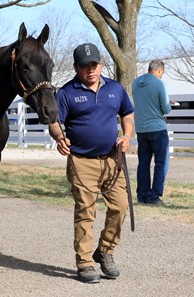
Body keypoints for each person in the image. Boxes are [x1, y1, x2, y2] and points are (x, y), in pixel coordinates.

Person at [48, 43, 134, 284]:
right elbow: (55, 121)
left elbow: (127, 113)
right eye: (85, 66)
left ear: (101, 64)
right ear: (76, 68)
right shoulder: (66, 92)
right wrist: (59, 138)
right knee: (86, 212)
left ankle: (105, 251)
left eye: (94, 64)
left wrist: (126, 136)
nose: (90, 70)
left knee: (121, 206)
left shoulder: (115, 89)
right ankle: (85, 262)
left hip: (112, 160)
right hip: (81, 162)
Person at [132, 60, 172, 206]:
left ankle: (142, 196)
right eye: (162, 73)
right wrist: (169, 104)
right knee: (161, 163)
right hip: (157, 128)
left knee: (143, 163)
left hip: (141, 129)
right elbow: (166, 109)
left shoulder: (135, 83)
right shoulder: (159, 83)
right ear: (160, 70)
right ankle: (154, 196)